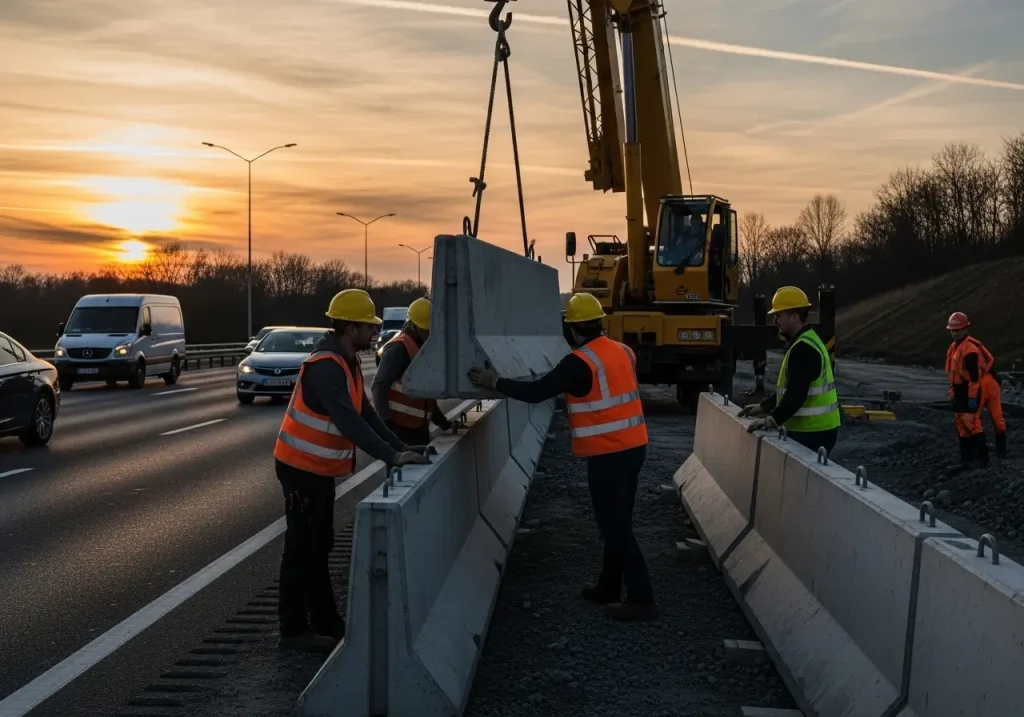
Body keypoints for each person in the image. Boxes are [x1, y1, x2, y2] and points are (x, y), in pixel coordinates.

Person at [466, 292, 656, 622]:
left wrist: (493, 381)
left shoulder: (578, 362)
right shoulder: (623, 351)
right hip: (633, 446)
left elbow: (536, 392)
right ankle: (608, 587)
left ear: (572, 330)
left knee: (615, 527)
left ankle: (642, 598)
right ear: (599, 322)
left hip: (608, 453)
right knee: (618, 522)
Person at [272, 289, 432, 654]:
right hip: (300, 469)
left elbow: (366, 414)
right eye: (367, 325)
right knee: (301, 548)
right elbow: (349, 422)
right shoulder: (327, 367)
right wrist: (390, 456)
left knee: (319, 545)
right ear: (348, 328)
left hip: (315, 470)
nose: (374, 331)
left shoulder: (346, 361)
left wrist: (401, 448)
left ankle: (325, 622)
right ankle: (293, 629)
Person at [739, 286, 841, 454]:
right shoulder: (806, 342)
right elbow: (790, 389)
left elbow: (796, 394)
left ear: (794, 317)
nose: (774, 321)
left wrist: (772, 419)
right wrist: (764, 407)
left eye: (778, 316)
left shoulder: (803, 349)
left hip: (812, 432)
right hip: (816, 430)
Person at [371, 297, 452, 445]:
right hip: (399, 429)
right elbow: (378, 387)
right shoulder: (398, 349)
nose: (429, 334)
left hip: (418, 428)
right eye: (425, 330)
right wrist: (386, 424)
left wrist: (443, 423)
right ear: (413, 326)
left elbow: (425, 394)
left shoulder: (423, 348)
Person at [944, 311, 1005, 468]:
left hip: (967, 390)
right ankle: (967, 459)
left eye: (957, 330)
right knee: (961, 423)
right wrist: (952, 392)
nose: (955, 333)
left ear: (965, 329)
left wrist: (972, 398)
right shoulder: (954, 348)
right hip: (959, 389)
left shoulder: (970, 349)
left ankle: (983, 459)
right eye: (952, 330)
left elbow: (974, 378)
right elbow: (952, 372)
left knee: (972, 422)